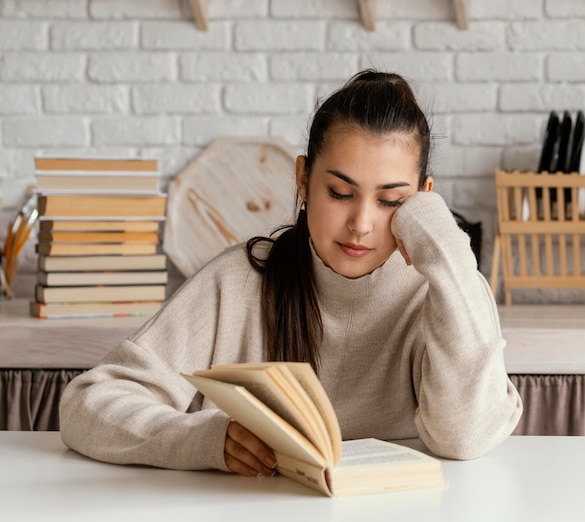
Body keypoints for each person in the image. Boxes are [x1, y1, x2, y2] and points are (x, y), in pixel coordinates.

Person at [59, 69, 522, 478]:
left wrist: (450, 251)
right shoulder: (240, 280)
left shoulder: (443, 292)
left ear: (424, 200)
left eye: (392, 202)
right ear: (303, 179)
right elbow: (87, 406)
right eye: (340, 192)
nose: (361, 224)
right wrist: (201, 438)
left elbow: (464, 437)